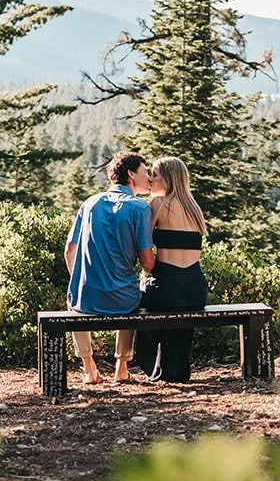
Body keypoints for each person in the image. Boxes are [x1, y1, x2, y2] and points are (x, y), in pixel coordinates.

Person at [66, 151, 156, 385]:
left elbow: (69, 251)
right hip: (123, 301)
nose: (149, 178)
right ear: (130, 174)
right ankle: (122, 366)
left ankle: (88, 368)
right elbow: (147, 264)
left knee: (75, 298)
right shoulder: (140, 209)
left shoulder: (89, 204)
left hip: (85, 301)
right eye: (145, 173)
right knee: (134, 292)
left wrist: (82, 281)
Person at [132, 156, 208, 383]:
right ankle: (177, 368)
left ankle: (155, 366)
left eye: (154, 174)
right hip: (196, 287)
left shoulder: (158, 204)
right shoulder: (195, 208)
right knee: (180, 317)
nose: (150, 179)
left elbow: (143, 244)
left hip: (167, 285)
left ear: (168, 179)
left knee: (142, 300)